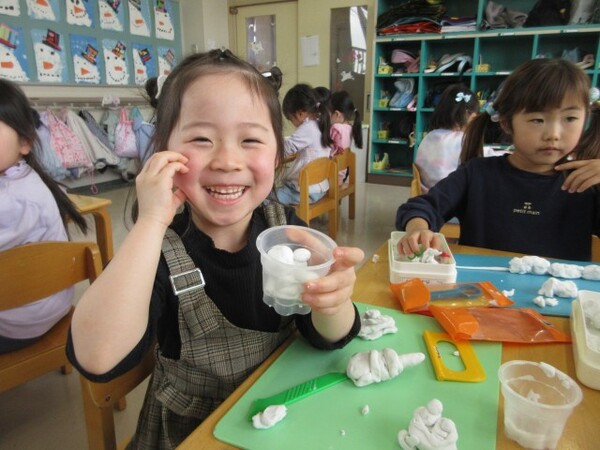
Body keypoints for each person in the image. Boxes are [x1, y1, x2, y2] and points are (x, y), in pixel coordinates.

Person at [67, 49, 363, 448]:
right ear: (164, 153)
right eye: (201, 139)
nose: (226, 161)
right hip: (190, 435)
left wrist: (334, 302)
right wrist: (151, 221)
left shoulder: (288, 232)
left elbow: (328, 337)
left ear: (277, 153)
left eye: (250, 139)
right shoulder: (157, 252)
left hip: (279, 424)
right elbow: (97, 357)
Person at [396, 58, 600, 261]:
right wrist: (418, 228)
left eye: (570, 118)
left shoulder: (588, 183)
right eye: (537, 120)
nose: (553, 134)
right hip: (482, 281)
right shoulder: (477, 173)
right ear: (506, 124)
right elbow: (421, 207)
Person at [0, 78, 88, 354]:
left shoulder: (14, 199)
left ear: (25, 142)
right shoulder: (24, 176)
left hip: (21, 320)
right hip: (47, 304)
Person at [275, 83, 333, 205]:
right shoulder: (320, 123)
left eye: (291, 119)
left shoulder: (307, 127)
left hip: (306, 192)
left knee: (268, 198)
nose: (292, 123)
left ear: (300, 114)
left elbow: (286, 149)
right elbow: (296, 141)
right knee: (283, 188)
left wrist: (271, 145)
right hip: (320, 188)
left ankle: (279, 216)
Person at [415, 84, 479, 192]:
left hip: (426, 194)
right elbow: (484, 154)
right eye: (474, 119)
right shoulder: (461, 140)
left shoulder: (430, 136)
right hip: (447, 197)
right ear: (467, 114)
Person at [329, 90, 363, 184]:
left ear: (337, 114)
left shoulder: (336, 128)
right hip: (342, 174)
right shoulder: (349, 127)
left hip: (332, 176)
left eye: (329, 114)